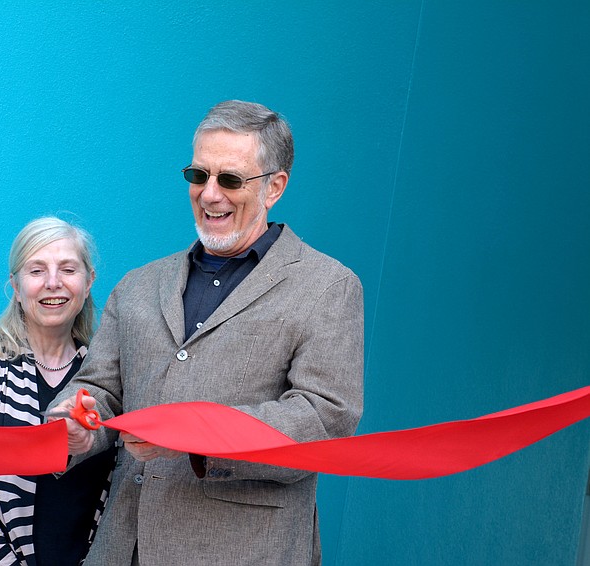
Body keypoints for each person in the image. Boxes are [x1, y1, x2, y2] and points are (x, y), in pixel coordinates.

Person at [49, 100, 364, 565]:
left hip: (245, 551)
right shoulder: (139, 284)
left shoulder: (329, 287)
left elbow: (325, 420)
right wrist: (75, 428)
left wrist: (196, 436)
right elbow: (99, 390)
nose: (209, 194)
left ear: (275, 187)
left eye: (230, 179)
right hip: (122, 547)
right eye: (199, 176)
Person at [0, 217, 116, 566]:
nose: (53, 283)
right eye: (36, 271)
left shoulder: (104, 376)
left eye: (67, 269)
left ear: (89, 281)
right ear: (15, 286)